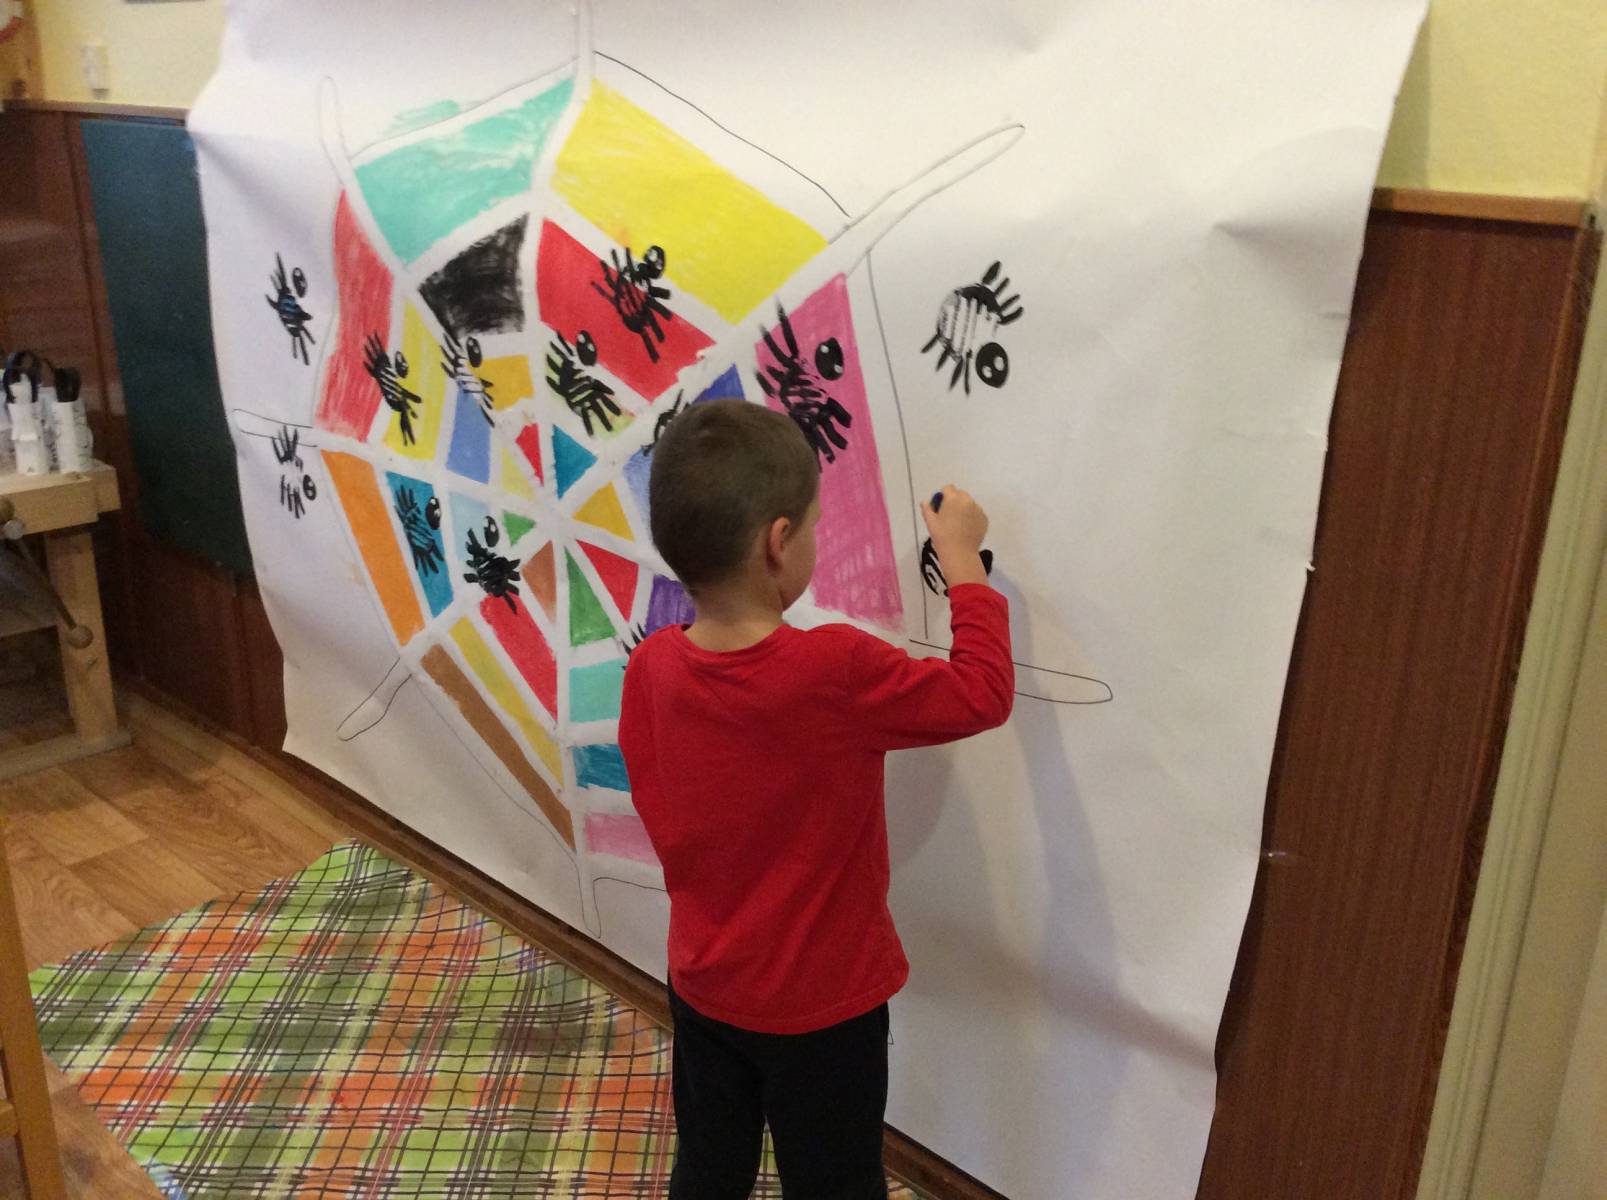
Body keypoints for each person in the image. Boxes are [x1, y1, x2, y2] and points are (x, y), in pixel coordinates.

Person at [619, 398, 1014, 1198]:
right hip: (826, 1011)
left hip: (704, 984)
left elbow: (669, 810)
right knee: (834, 1183)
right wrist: (962, 561)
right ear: (778, 543)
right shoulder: (833, 671)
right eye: (814, 524)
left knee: (708, 1170)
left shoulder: (651, 667)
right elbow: (981, 693)